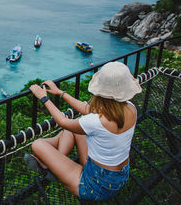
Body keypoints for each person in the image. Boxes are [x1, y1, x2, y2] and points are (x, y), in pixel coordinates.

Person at [25, 61, 142, 201]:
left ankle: (51, 165)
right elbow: (88, 110)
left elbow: (63, 122)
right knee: (74, 130)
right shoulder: (130, 108)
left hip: (96, 187)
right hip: (120, 177)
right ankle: (51, 164)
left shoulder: (96, 121)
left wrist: (43, 98)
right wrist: (61, 93)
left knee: (38, 144)